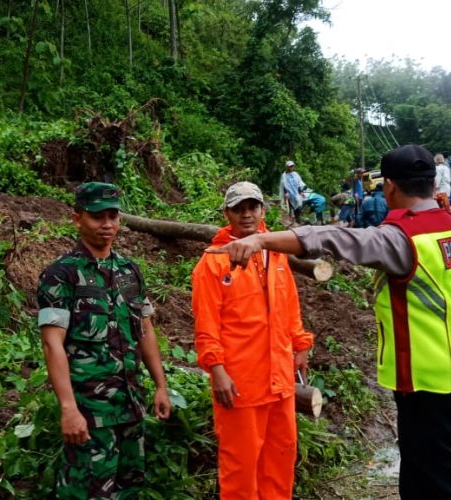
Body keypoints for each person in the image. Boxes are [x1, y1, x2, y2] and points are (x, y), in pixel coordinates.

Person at [208, 145, 451, 500]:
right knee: (420, 470)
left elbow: (335, 238)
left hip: (420, 379)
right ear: (434, 183)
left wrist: (261, 239)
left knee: (443, 477)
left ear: (388, 187)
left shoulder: (402, 239)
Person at [37, 182, 171, 499]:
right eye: (97, 216)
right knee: (86, 492)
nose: (107, 224)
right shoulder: (61, 275)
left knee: (128, 488)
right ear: (77, 218)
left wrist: (161, 386)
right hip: (90, 412)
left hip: (131, 405)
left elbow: (146, 330)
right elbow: (52, 344)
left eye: (113, 215)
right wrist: (69, 409)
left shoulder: (130, 271)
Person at [192, 181, 313, 500]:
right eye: (238, 208)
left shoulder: (276, 252)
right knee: (240, 469)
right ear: (227, 213)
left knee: (280, 461)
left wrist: (300, 344)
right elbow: (206, 325)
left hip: (280, 380)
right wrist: (216, 369)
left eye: (252, 207)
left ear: (262, 210)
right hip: (239, 384)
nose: (246, 214)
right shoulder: (213, 261)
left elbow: (290, 304)